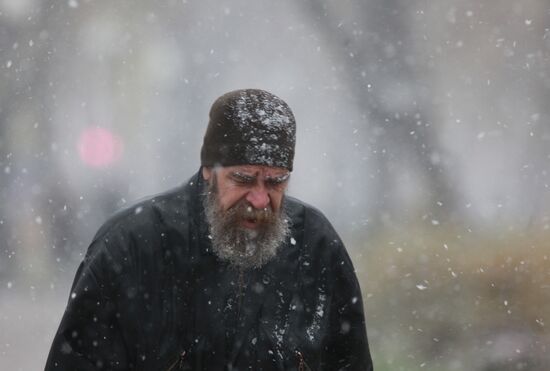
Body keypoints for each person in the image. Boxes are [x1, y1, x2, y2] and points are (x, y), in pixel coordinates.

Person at [46, 89, 374, 370]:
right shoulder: (131, 245)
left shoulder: (315, 247)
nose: (260, 199)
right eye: (243, 179)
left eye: (276, 182)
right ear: (208, 169)